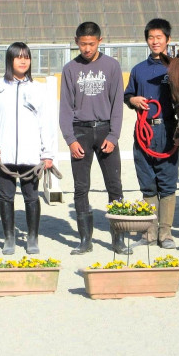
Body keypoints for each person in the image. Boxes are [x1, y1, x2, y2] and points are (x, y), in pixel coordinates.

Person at [59, 22, 130, 255]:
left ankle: (118, 239)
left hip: (105, 131)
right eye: (82, 44)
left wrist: (114, 135)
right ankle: (85, 240)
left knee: (115, 187)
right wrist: (70, 139)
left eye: (91, 44)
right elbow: (65, 108)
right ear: (76, 42)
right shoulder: (70, 69)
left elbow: (117, 105)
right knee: (81, 188)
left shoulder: (112, 66)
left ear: (100, 41)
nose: (86, 48)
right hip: (80, 132)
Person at [0, 42, 57, 255]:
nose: (23, 61)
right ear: (10, 60)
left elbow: (47, 123)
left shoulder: (39, 89)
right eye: (18, 57)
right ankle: (9, 238)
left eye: (27, 57)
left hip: (31, 155)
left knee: (31, 197)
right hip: (4, 155)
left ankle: (32, 237)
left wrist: (48, 154)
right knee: (6, 196)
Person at [124, 19, 179, 249]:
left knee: (167, 183)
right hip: (144, 130)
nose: (155, 41)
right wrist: (133, 100)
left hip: (167, 129)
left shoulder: (176, 67)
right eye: (151, 37)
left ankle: (165, 234)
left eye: (159, 37)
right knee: (147, 184)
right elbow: (127, 96)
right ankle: (148, 233)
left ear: (168, 39)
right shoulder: (138, 70)